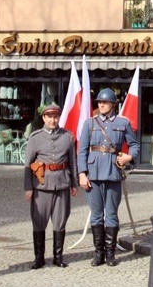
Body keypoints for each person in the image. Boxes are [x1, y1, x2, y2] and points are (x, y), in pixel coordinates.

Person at [77, 88, 140, 267]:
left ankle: (111, 253)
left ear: (113, 104)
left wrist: (129, 157)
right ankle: (99, 253)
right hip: (93, 174)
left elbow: (134, 145)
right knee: (96, 216)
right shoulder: (89, 124)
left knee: (111, 215)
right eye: (99, 102)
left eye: (105, 102)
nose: (101, 105)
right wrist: (82, 174)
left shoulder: (123, 123)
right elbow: (81, 151)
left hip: (113, 173)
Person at [23, 104, 78, 269]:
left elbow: (72, 162)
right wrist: (28, 187)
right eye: (49, 117)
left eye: (55, 117)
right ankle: (39, 257)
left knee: (60, 221)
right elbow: (28, 163)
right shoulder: (35, 137)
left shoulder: (67, 136)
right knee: (39, 221)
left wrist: (74, 183)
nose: (53, 120)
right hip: (41, 185)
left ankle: (58, 256)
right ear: (44, 118)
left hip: (62, 183)